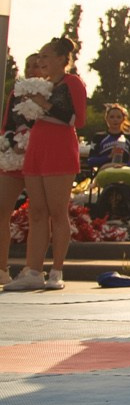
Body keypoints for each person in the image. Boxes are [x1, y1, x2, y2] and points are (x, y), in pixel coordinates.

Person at [13, 37, 90, 293]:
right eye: (40, 57)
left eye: (46, 57)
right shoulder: (42, 84)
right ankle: (33, 269)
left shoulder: (72, 83)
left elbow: (77, 119)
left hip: (60, 149)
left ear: (61, 59)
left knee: (58, 211)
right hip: (38, 146)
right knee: (36, 211)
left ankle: (56, 269)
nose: (41, 61)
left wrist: (40, 101)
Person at [1, 52, 47, 289]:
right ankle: (1, 268)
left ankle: (33, 268)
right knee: (2, 210)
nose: (32, 69)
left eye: (37, 65)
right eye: (28, 65)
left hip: (39, 157)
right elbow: (7, 122)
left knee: (38, 212)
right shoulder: (16, 92)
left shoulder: (50, 92)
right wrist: (12, 141)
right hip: (14, 157)